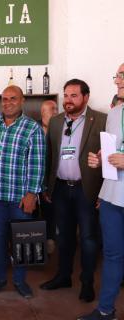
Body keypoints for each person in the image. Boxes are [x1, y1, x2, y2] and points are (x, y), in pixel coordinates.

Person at [40, 79, 106, 302]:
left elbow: (108, 157)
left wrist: (104, 192)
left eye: (74, 96)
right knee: (64, 237)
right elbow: (50, 156)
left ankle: (87, 283)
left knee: (88, 238)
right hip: (60, 188)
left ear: (86, 97)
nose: (68, 100)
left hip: (86, 190)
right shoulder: (57, 122)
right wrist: (48, 186)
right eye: (66, 95)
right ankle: (63, 276)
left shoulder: (101, 120)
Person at [0, 85, 46, 299]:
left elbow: (37, 163)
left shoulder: (32, 128)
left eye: (13, 98)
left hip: (20, 196)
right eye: (4, 98)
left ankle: (20, 280)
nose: (7, 102)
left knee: (24, 238)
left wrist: (32, 194)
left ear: (22, 100)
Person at [78, 63, 124, 320]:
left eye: (122, 75)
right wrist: (100, 159)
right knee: (112, 254)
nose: (117, 80)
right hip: (112, 196)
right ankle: (106, 310)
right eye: (117, 75)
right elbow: (112, 150)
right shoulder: (116, 113)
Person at [38, 99, 59, 254]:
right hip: (32, 178)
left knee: (49, 209)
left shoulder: (59, 129)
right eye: (53, 109)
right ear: (43, 113)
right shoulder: (34, 129)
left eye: (57, 109)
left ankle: (50, 240)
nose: (56, 112)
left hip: (51, 179)